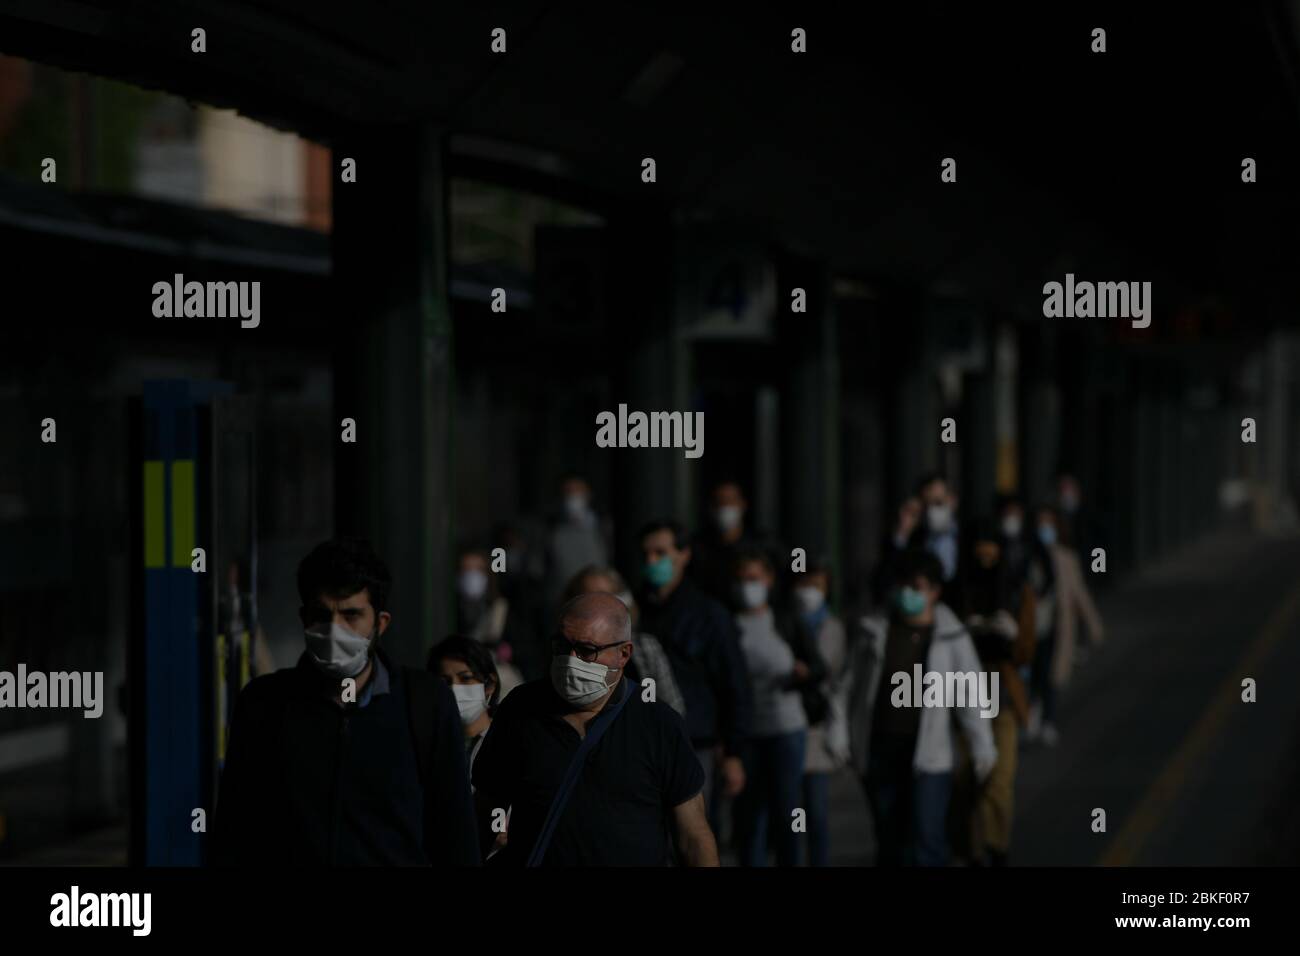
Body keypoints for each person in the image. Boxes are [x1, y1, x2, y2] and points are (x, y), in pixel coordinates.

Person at [211, 538, 480, 866]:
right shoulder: (264, 705)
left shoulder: (425, 704)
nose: (334, 630)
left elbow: (456, 838)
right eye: (321, 615)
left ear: (380, 623)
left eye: (351, 615)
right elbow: (235, 834)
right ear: (303, 619)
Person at [470, 592, 719, 866]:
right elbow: (485, 811)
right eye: (561, 646)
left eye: (587, 651)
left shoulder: (658, 724)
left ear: (623, 654)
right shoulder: (521, 710)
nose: (570, 660)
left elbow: (692, 836)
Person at [845, 548, 996, 867]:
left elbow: (972, 693)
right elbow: (847, 686)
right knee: (889, 840)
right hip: (881, 751)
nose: (908, 594)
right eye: (903, 585)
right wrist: (840, 735)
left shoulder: (951, 636)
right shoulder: (874, 631)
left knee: (928, 840)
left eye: (917, 587)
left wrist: (982, 744)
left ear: (935, 591)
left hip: (930, 757)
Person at [637, 518, 753, 824]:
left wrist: (733, 753)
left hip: (695, 744)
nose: (652, 561)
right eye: (646, 554)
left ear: (683, 554)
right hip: (646, 745)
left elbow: (734, 684)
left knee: (695, 834)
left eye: (660, 553)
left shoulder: (708, 614)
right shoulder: (636, 612)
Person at [952, 519, 1037, 866]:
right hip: (961, 694)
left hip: (1001, 694)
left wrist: (1013, 634)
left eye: (992, 544)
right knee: (966, 780)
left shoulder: (1018, 591)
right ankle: (970, 851)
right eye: (979, 544)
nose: (985, 552)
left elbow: (1026, 652)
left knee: (999, 780)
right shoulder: (957, 590)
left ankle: (995, 848)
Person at [730, 548, 816, 866]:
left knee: (787, 812)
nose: (747, 586)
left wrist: (803, 673)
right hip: (748, 733)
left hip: (786, 729)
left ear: (768, 580)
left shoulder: (786, 618)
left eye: (753, 578)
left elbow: (817, 665)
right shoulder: (728, 624)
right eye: (741, 580)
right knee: (750, 817)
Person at [561, 565, 687, 717]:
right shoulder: (565, 653)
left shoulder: (645, 648)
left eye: (603, 600)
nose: (595, 610)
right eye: (586, 600)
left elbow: (672, 708)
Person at [793, 558, 851, 867]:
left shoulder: (834, 627)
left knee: (815, 810)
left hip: (816, 726)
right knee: (789, 811)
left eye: (816, 586)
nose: (809, 593)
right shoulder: (786, 622)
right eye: (804, 585)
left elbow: (837, 675)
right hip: (787, 722)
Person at [1035, 504, 1105, 719]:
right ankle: (1036, 713)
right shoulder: (1030, 556)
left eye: (1048, 523)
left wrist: (1094, 626)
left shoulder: (1066, 558)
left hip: (1058, 625)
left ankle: (1046, 718)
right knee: (1037, 670)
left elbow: (1080, 594)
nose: (1044, 528)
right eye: (1040, 523)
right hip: (1035, 625)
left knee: (1052, 673)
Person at [689, 479, 785, 608]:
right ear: (710, 507)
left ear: (743, 504)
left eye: (731, 500)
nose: (725, 506)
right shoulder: (698, 547)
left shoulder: (764, 544)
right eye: (719, 501)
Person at [872, 474, 962, 604]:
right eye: (929, 504)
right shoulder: (914, 535)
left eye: (939, 503)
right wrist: (904, 530)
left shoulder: (963, 533)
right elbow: (891, 567)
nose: (935, 510)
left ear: (952, 500)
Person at [455, 546, 528, 695]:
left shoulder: (501, 610)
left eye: (478, 570)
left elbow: (523, 650)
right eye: (466, 570)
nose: (472, 576)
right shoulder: (450, 611)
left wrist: (508, 651)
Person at [428, 635, 501, 781]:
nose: (454, 689)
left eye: (466, 678)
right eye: (445, 682)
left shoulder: (510, 741)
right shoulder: (429, 747)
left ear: (490, 685)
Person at [541, 474, 612, 621]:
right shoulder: (551, 531)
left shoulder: (603, 527)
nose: (573, 497)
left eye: (577, 492)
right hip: (562, 604)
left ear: (588, 495)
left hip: (597, 603)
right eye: (568, 492)